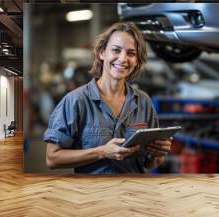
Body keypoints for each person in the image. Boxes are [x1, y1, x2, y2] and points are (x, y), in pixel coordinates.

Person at [43, 22, 172, 174]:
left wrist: (158, 154)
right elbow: (52, 159)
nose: (123, 59)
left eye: (131, 53)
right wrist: (102, 152)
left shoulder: (143, 102)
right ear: (102, 53)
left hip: (133, 194)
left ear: (137, 60)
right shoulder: (76, 101)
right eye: (116, 50)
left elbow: (149, 164)